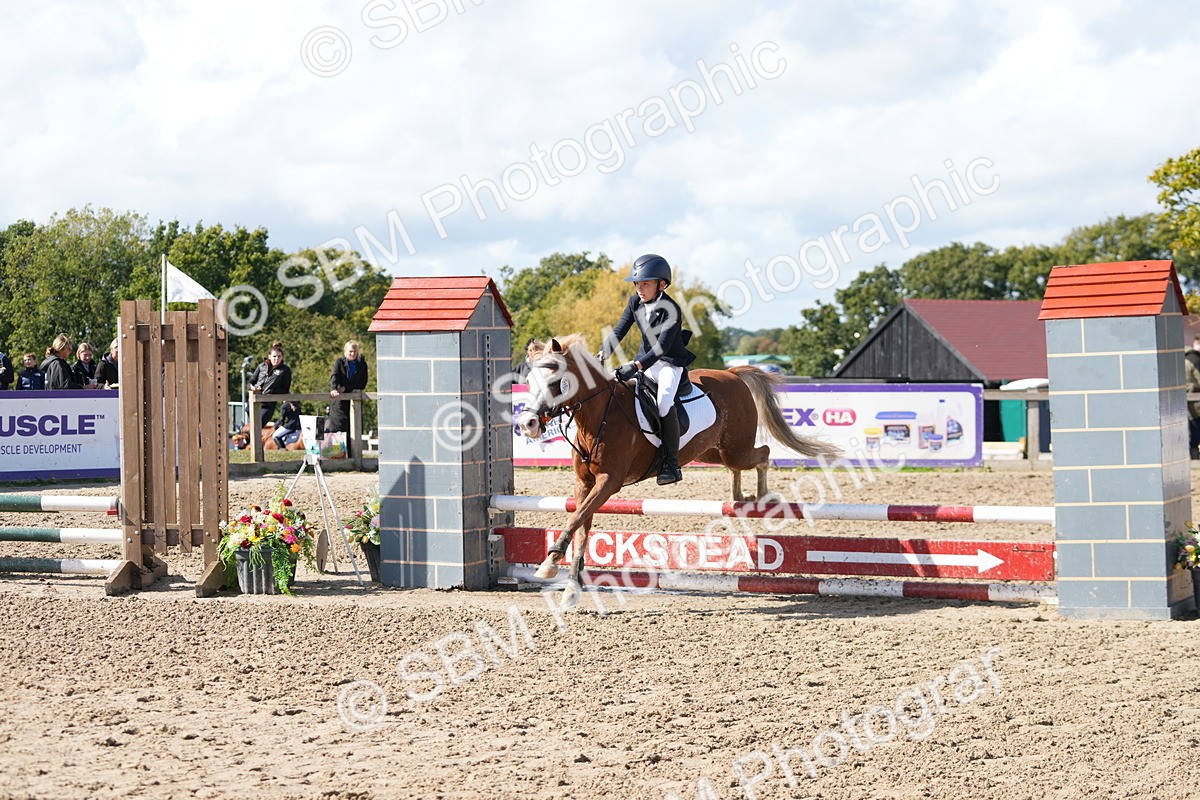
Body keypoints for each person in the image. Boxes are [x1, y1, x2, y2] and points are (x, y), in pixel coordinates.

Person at [598, 254, 696, 485]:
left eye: (645, 284)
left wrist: (636, 366)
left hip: (669, 364)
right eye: (637, 283)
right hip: (644, 360)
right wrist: (601, 354)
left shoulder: (671, 309)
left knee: (663, 403)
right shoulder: (635, 302)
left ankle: (672, 464)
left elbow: (662, 348)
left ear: (662, 284)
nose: (639, 289)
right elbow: (620, 330)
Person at [325, 340, 369, 434]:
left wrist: (345, 388)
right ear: (346, 351)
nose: (352, 354)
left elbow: (362, 384)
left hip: (354, 401)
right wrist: (334, 389)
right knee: (338, 428)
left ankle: (354, 449)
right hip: (339, 403)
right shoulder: (339, 362)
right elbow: (335, 376)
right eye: (350, 351)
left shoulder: (362, 364)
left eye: (354, 351)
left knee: (354, 428)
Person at [248, 341, 292, 431]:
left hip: (268, 404)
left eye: (279, 356)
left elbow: (285, 389)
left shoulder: (285, 370)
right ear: (269, 356)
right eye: (274, 356)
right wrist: (253, 387)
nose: (276, 359)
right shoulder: (261, 366)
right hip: (254, 399)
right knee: (251, 428)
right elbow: (251, 382)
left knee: (257, 426)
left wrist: (271, 391)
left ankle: (256, 443)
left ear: (282, 357)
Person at [1187, 338, 1200, 460]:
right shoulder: (1195, 360)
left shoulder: (1183, 359)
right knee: (1195, 427)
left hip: (1180, 402)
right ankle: (1194, 453)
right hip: (1195, 402)